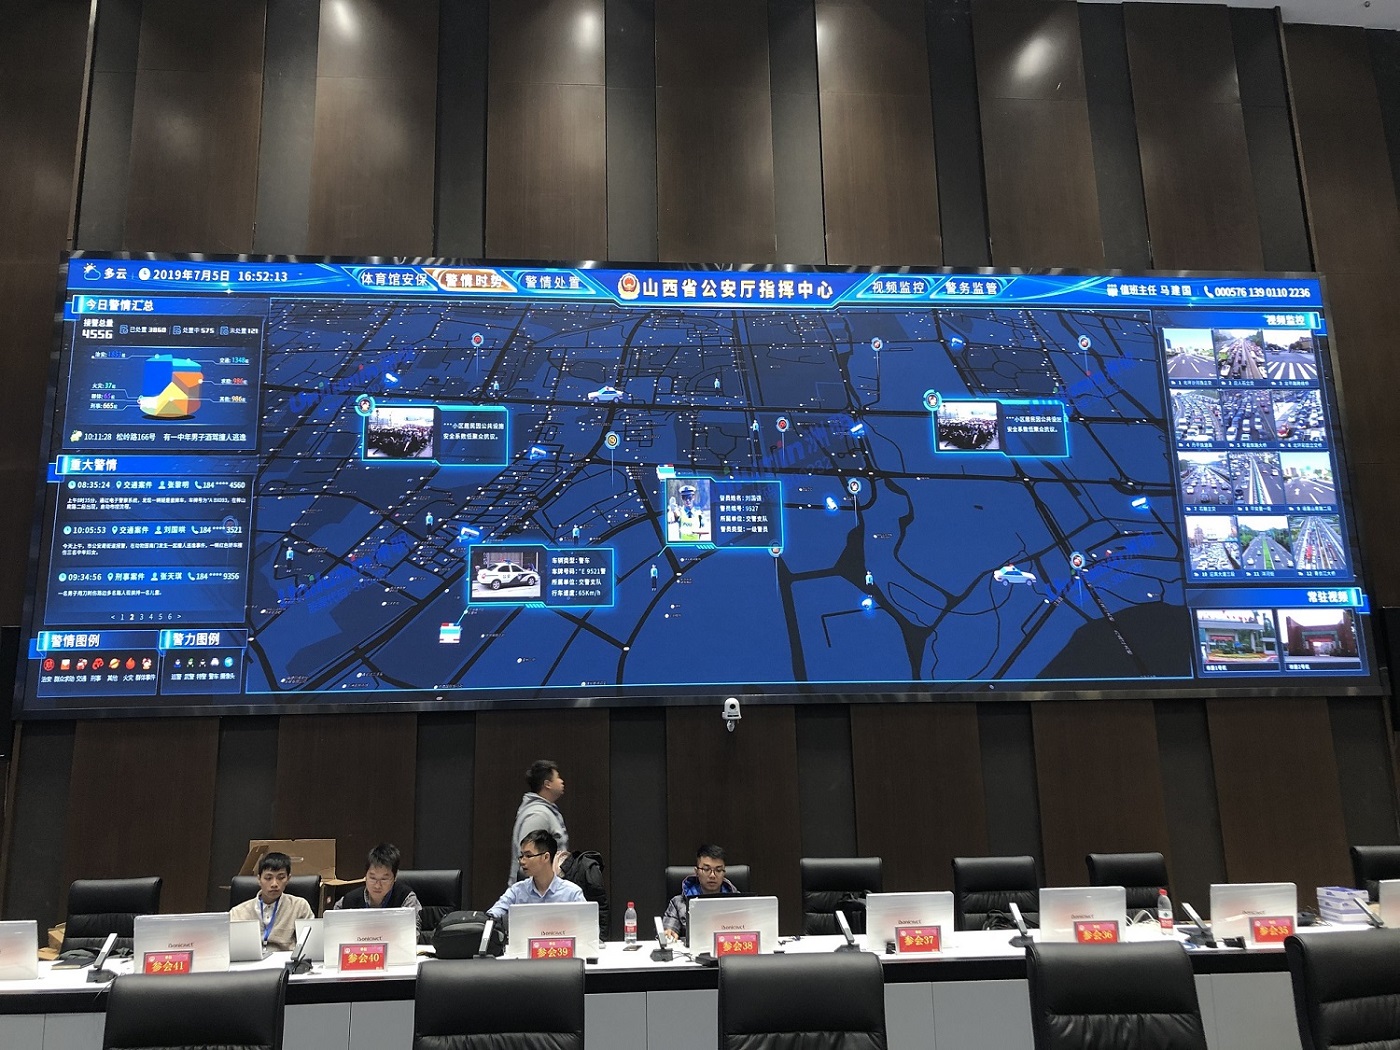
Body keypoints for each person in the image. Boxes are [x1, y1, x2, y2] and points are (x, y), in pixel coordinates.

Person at [488, 830, 585, 920]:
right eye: (521, 856)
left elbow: (587, 924)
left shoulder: (572, 893)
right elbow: (494, 913)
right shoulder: (517, 891)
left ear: (546, 857)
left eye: (528, 856)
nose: (522, 861)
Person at [229, 851, 315, 952]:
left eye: (281, 878)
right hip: (250, 959)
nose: (274, 884)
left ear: (288, 879)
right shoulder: (238, 912)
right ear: (259, 879)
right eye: (268, 878)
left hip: (286, 959)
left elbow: (310, 944)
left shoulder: (299, 906)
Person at [332, 843, 423, 930]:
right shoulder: (347, 901)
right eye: (372, 878)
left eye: (384, 879)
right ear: (365, 875)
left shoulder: (406, 899)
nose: (377, 885)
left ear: (395, 877)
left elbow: (412, 934)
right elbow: (334, 931)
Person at [661, 844, 739, 942]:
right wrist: (669, 934)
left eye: (718, 870)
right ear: (696, 872)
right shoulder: (678, 903)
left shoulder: (739, 901)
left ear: (724, 873)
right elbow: (668, 931)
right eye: (706, 869)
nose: (712, 875)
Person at [509, 760, 569, 885]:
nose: (562, 781)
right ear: (547, 784)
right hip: (534, 893)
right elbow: (529, 860)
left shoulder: (546, 812)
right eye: (558, 777)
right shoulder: (538, 815)